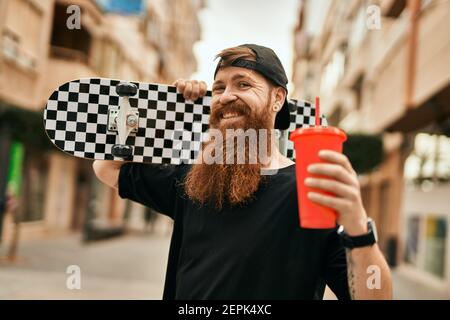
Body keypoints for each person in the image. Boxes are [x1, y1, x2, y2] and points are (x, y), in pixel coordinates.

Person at [93, 44, 392, 299]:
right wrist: (168, 111)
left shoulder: (309, 187)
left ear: (277, 99)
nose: (225, 96)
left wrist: (357, 226)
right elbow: (106, 167)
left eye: (243, 84)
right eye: (219, 87)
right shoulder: (195, 178)